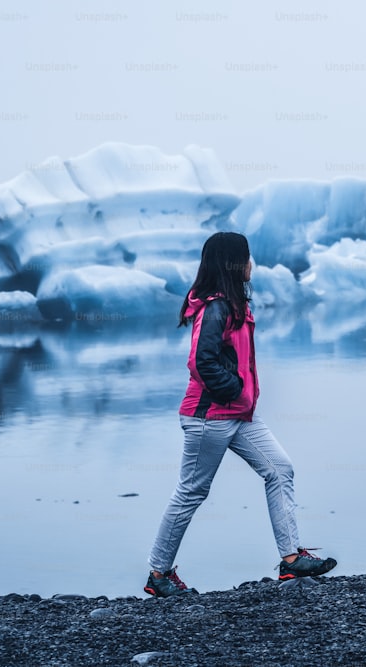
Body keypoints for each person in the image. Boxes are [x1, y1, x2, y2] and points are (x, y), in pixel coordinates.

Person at [144, 231, 336, 597]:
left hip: (239, 414)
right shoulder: (216, 308)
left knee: (279, 469)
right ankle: (159, 575)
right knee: (191, 492)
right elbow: (201, 361)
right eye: (247, 257)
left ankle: (292, 561)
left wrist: (240, 397)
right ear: (234, 263)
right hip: (208, 417)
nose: (252, 264)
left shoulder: (232, 304)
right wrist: (233, 389)